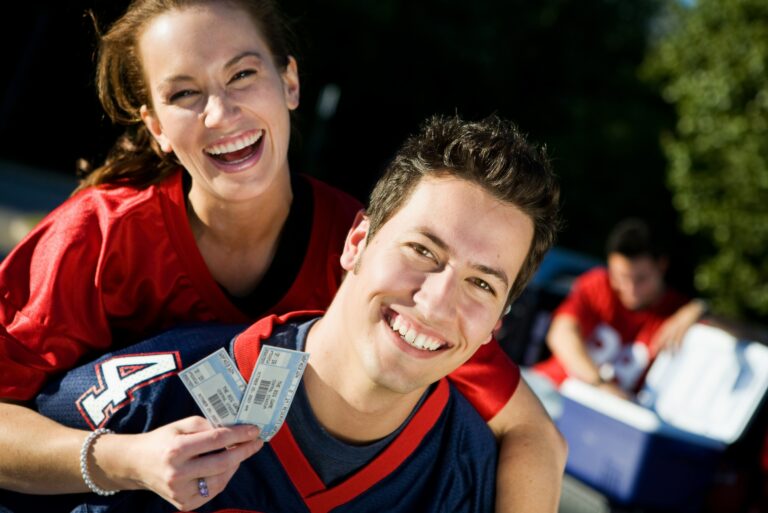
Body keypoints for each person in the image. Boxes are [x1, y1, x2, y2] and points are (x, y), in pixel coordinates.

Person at [0, 1, 566, 510]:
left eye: (243, 74)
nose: (221, 114)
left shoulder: (394, 261)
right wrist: (124, 460)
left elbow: (533, 433)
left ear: (289, 82)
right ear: (156, 129)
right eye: (184, 94)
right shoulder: (95, 238)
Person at [533, 218, 707, 397]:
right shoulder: (598, 284)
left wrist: (700, 308)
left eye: (641, 279)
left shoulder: (678, 312)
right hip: (552, 387)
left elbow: (736, 330)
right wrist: (600, 386)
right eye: (621, 276)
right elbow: (560, 334)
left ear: (661, 266)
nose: (630, 289)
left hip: (607, 418)